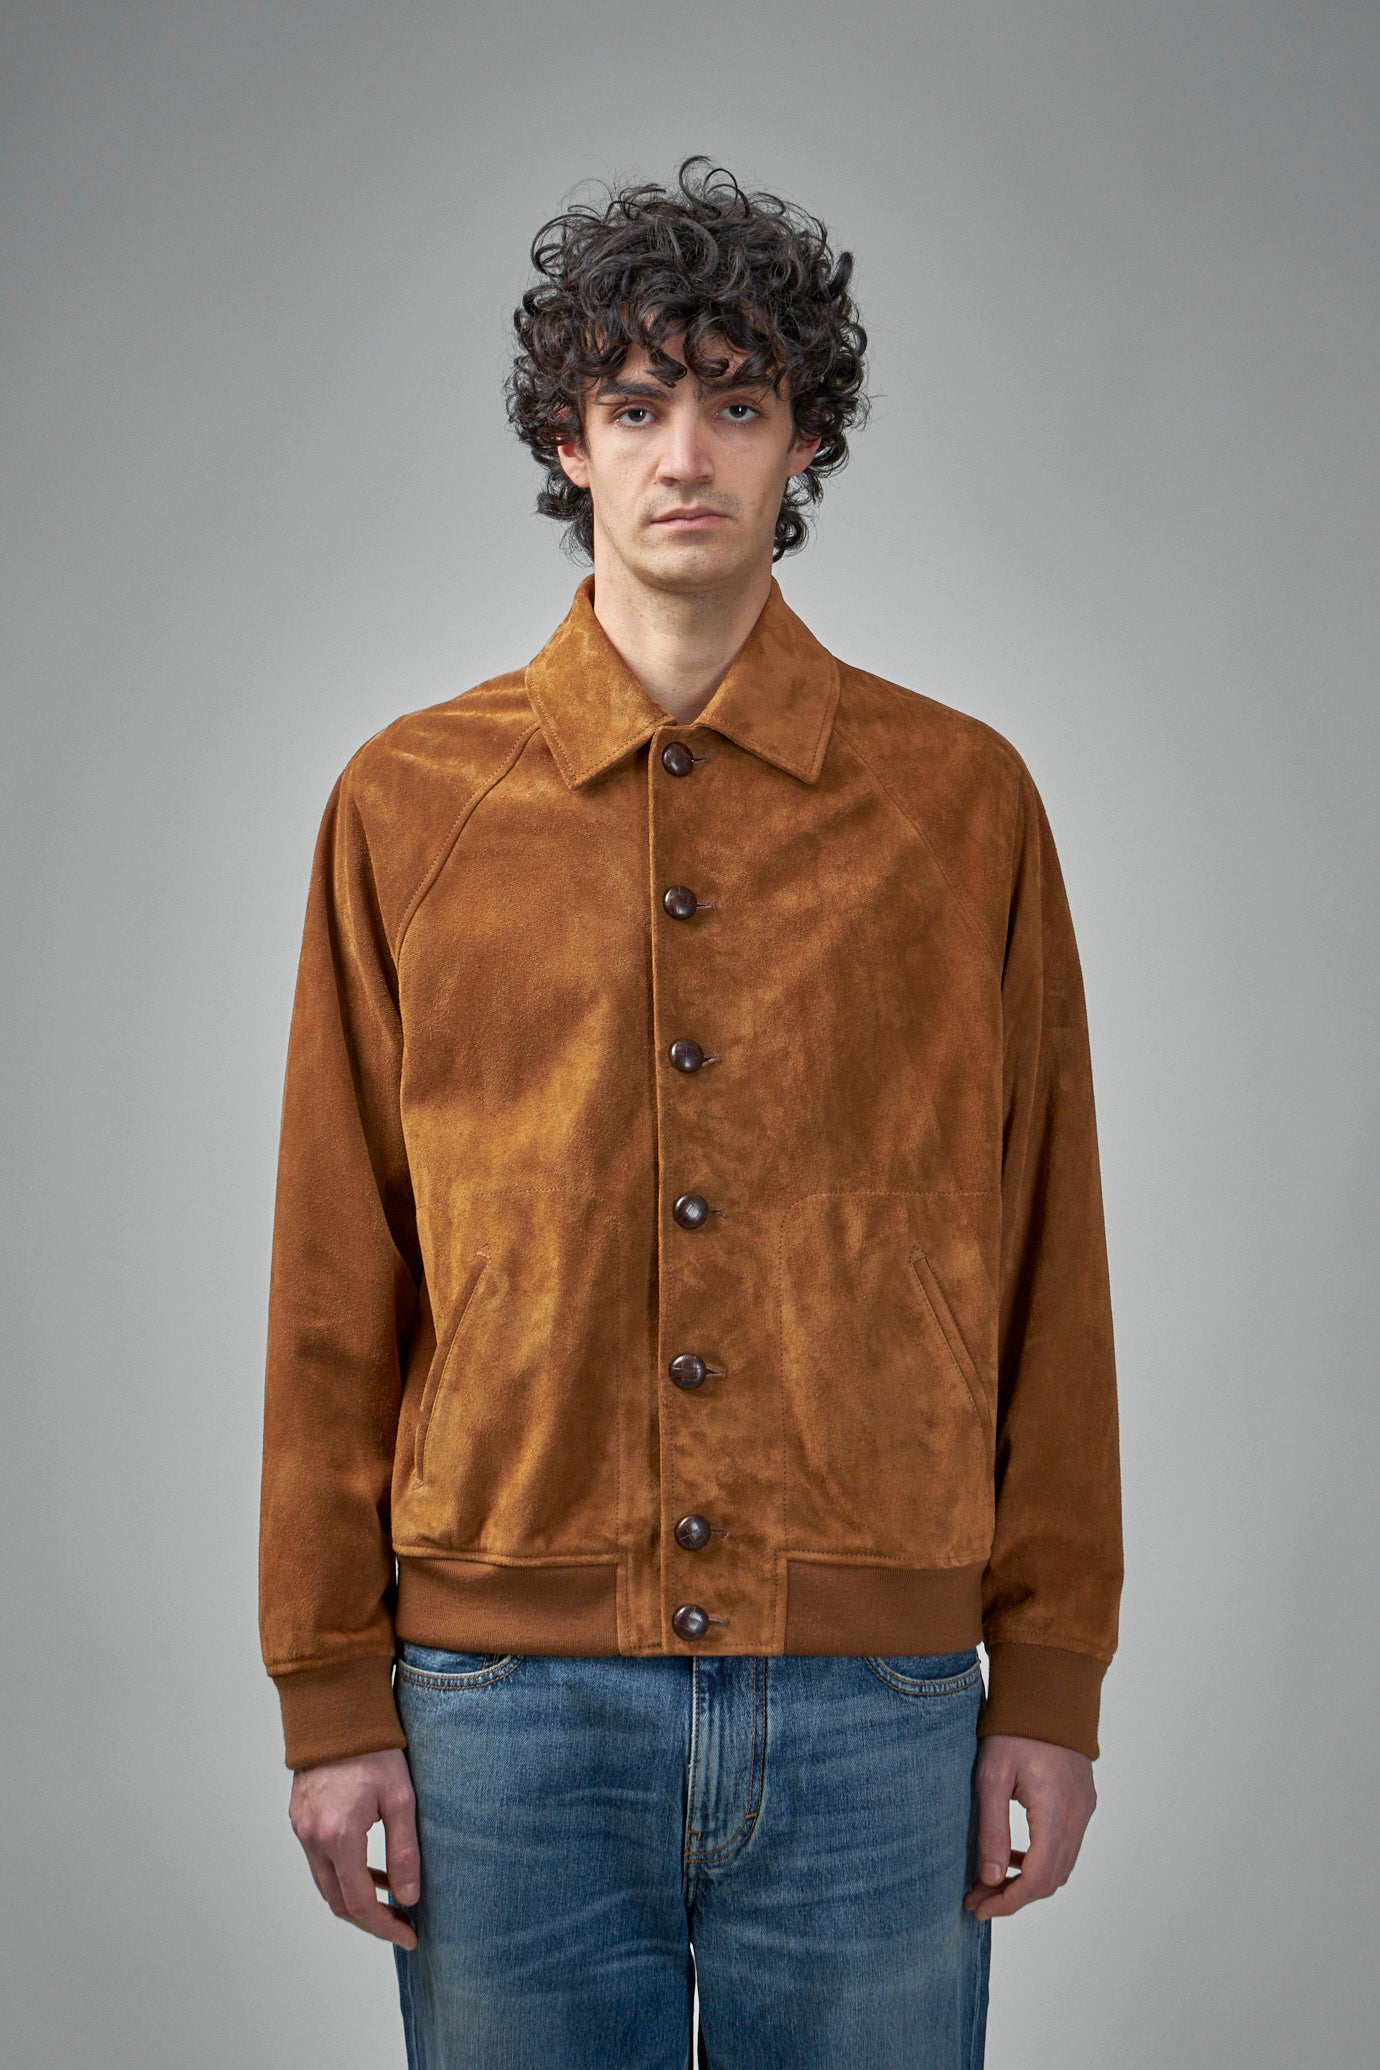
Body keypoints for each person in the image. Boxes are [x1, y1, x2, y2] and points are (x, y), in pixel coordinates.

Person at [258, 156, 1123, 2069]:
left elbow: (1047, 1250)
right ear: (566, 441)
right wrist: (330, 1690)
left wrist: (1050, 1673)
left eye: (737, 403)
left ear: (803, 440)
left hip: (881, 1702)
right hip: (502, 1709)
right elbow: (337, 1274)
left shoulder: (959, 805)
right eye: (638, 403)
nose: (685, 454)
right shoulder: (409, 807)